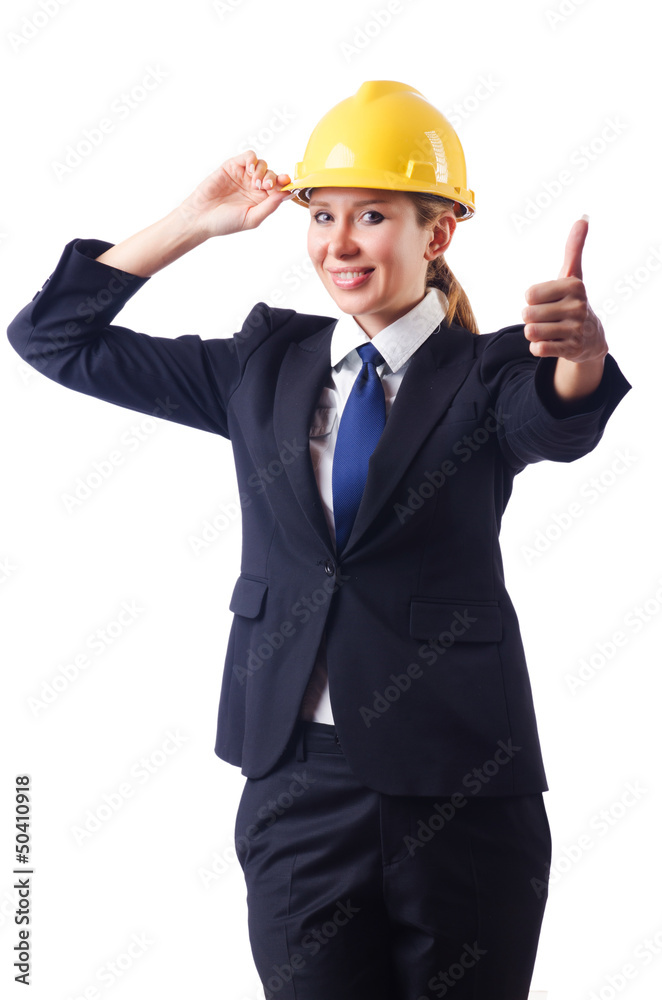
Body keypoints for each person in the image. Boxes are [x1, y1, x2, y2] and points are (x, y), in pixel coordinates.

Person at [7, 81, 631, 999]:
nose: (338, 244)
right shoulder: (263, 364)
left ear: (438, 233)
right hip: (297, 781)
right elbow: (54, 338)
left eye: (373, 215)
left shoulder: (491, 368)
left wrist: (579, 352)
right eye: (321, 214)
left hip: (459, 781)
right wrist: (193, 219)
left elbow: (558, 427)